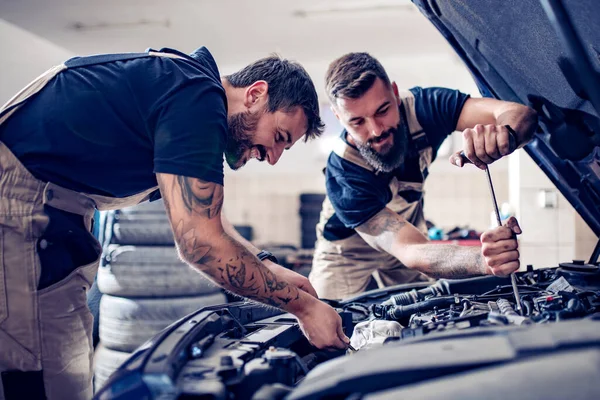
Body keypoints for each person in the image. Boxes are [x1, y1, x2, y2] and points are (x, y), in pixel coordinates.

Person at [0, 46, 349, 400]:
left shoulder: (186, 88)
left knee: (60, 363)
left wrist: (267, 265)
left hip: (44, 208)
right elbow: (201, 244)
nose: (272, 158)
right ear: (255, 94)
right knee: (50, 376)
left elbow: (210, 222)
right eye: (278, 138)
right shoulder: (197, 99)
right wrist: (303, 308)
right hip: (21, 203)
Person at [309, 52, 538, 300]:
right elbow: (411, 250)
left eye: (383, 110)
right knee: (328, 319)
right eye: (357, 122)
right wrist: (483, 259)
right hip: (347, 251)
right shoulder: (343, 172)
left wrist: (505, 135)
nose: (376, 130)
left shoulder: (426, 107)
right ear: (338, 117)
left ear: (395, 94)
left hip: (406, 230)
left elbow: (517, 113)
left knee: (424, 310)